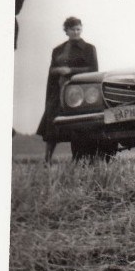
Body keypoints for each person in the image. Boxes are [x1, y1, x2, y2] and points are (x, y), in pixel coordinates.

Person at [36, 17, 98, 163]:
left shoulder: (89, 48)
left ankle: (78, 160)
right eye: (72, 29)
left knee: (77, 127)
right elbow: (51, 71)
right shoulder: (58, 50)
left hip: (80, 93)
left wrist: (70, 70)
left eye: (78, 29)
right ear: (66, 31)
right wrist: (57, 71)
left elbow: (94, 69)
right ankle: (47, 160)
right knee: (52, 127)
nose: (76, 32)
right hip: (58, 92)